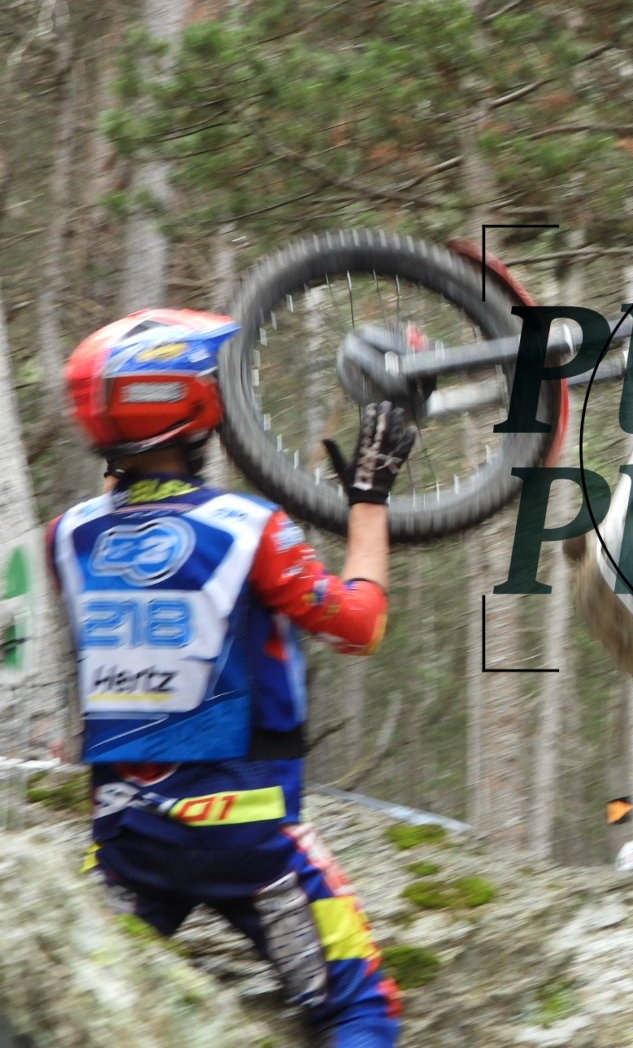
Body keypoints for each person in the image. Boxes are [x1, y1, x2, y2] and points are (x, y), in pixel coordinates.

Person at [47, 308, 417, 1048]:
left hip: (127, 841)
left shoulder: (67, 536)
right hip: (251, 843)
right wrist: (370, 496)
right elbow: (360, 625)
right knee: (361, 1010)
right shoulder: (249, 527)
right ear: (190, 404)